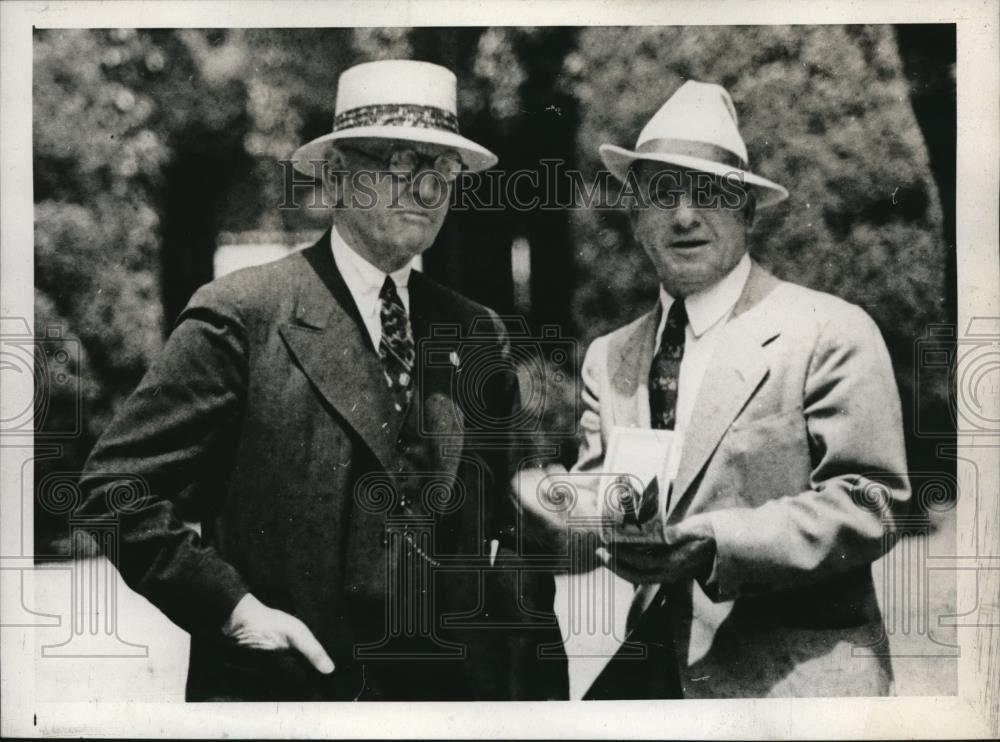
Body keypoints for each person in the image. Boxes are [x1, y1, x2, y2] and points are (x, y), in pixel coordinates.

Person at [79, 59, 567, 701]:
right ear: (337, 174)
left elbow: (508, 523)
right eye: (401, 163)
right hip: (296, 693)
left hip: (450, 703)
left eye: (442, 169)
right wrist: (233, 611)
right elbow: (113, 488)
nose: (425, 190)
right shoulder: (243, 314)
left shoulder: (473, 330)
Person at [568, 80, 910, 698]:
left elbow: (873, 503)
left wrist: (713, 545)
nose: (685, 215)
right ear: (635, 213)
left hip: (796, 685)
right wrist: (565, 514)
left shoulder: (827, 331)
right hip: (656, 677)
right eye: (662, 192)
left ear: (748, 211)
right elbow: (600, 501)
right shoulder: (609, 358)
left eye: (709, 192)